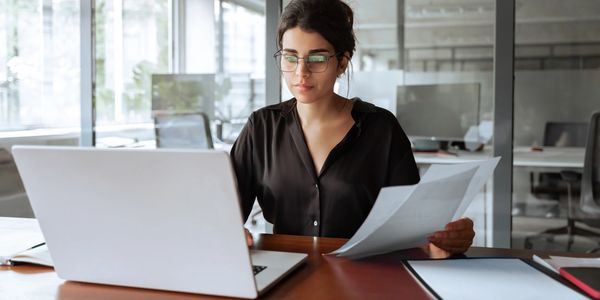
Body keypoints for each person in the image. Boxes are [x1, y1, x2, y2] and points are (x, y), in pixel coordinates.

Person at [230, 0, 474, 255]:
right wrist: (227, 229)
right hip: (285, 274)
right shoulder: (261, 127)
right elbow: (224, 213)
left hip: (364, 277)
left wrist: (447, 238)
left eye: (317, 58)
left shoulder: (381, 129)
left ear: (343, 62)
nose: (301, 72)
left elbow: (414, 233)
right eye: (291, 57)